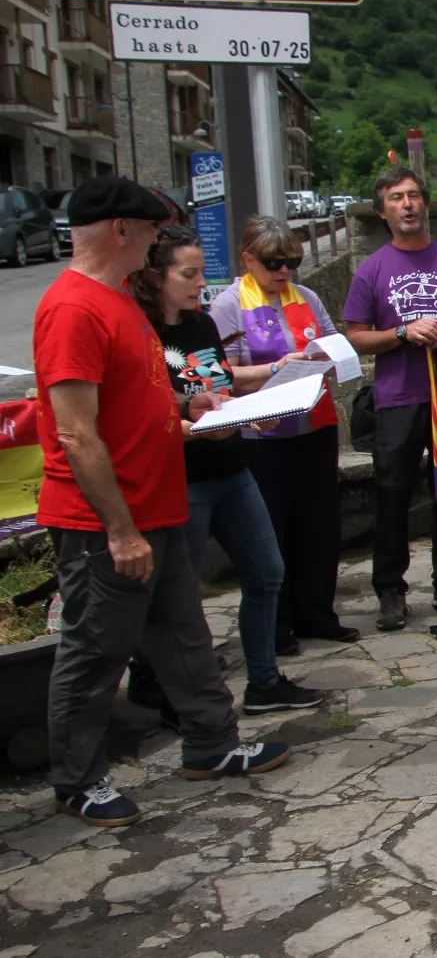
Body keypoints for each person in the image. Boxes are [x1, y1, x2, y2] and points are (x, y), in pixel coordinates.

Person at [33, 177, 291, 827]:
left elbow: (136, 397)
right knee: (96, 651)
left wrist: (189, 403)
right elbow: (75, 431)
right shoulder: (73, 309)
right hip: (109, 523)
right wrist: (119, 531)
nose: (156, 242)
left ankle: (212, 744)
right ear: (122, 230)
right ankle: (78, 780)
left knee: (184, 636)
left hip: (159, 509)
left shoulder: (117, 301)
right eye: (150, 230)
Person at [129, 225, 324, 714]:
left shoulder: (201, 325)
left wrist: (253, 406)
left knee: (267, 572)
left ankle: (263, 682)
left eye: (201, 272)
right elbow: (145, 409)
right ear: (156, 277)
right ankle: (170, 691)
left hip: (232, 468)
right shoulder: (140, 333)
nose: (202, 283)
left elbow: (215, 388)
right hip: (181, 476)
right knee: (179, 593)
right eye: (190, 274)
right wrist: (198, 425)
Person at [344, 168, 437, 632]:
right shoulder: (371, 269)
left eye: (413, 196)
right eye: (396, 198)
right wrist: (403, 332)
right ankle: (391, 590)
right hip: (397, 396)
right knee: (391, 494)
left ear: (424, 205)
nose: (407, 204)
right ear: (383, 210)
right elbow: (357, 337)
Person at [210, 216, 356, 652]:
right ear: (248, 259)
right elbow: (220, 375)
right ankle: (277, 626)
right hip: (262, 434)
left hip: (313, 424)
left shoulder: (306, 297)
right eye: (273, 262)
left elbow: (333, 341)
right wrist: (274, 367)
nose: (283, 271)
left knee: (319, 524)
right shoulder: (228, 305)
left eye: (291, 261)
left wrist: (328, 355)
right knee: (272, 529)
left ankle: (317, 613)